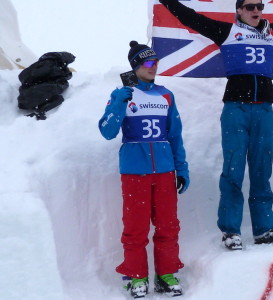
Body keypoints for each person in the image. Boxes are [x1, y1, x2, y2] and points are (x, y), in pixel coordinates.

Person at [159, 0, 273, 250]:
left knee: (262, 167)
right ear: (239, 10)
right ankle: (230, 229)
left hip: (264, 108)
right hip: (235, 109)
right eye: (250, 7)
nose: (256, 11)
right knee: (234, 167)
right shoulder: (227, 31)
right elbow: (190, 18)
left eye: (259, 7)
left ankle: (265, 227)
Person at [98, 41, 190, 298]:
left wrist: (181, 168)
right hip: (134, 171)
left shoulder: (166, 95)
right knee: (136, 227)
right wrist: (118, 102)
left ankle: (167, 273)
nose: (153, 67)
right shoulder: (122, 93)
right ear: (136, 66)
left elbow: (175, 136)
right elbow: (107, 131)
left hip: (164, 171)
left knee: (168, 225)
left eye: (156, 62)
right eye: (148, 62)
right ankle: (136, 276)